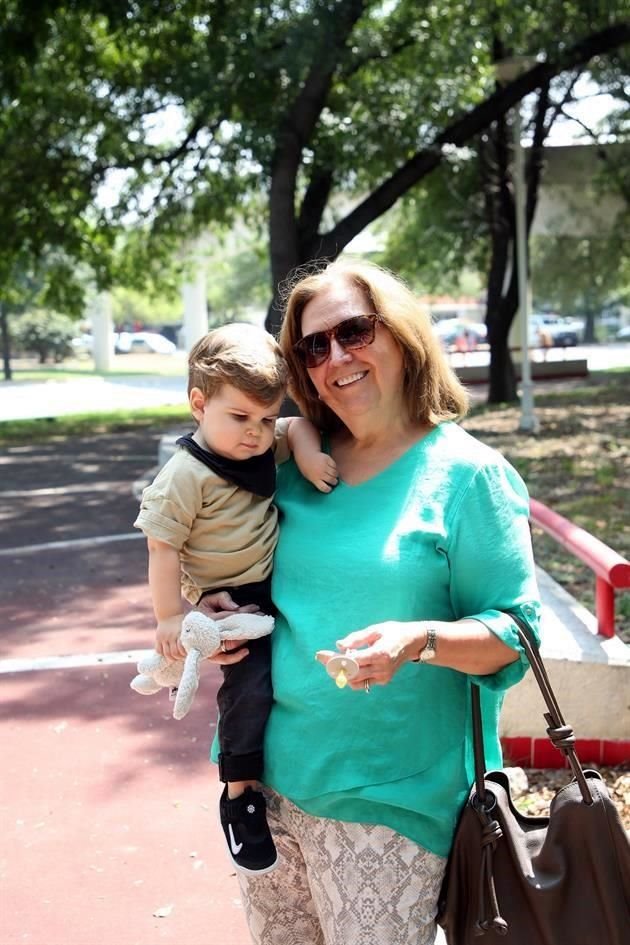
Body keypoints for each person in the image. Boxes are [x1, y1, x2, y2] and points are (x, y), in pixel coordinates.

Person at [202, 260, 541, 945]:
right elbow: (236, 560)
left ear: (403, 336)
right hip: (267, 788)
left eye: (354, 330)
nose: (336, 356)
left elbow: (517, 632)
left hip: (393, 803)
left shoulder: (469, 476)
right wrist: (215, 603)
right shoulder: (292, 466)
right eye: (313, 345)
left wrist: (419, 639)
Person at [134, 323, 337, 877]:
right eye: (241, 417)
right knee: (248, 688)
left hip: (280, 587)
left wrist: (310, 453)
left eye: (265, 418)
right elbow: (161, 545)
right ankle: (239, 791)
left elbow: (297, 428)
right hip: (229, 600)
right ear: (199, 404)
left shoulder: (265, 441)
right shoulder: (185, 475)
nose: (257, 433)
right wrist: (171, 615)